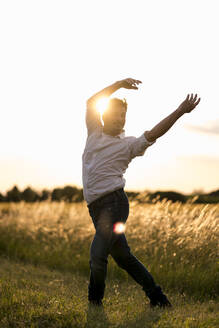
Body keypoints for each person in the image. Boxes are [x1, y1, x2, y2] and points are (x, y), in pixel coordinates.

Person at [82, 78, 200, 308]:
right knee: (124, 258)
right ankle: (158, 298)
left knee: (98, 254)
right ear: (104, 115)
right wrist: (118, 84)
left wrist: (179, 112)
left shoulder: (129, 145)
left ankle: (94, 303)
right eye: (115, 114)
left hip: (114, 205)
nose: (119, 118)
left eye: (123, 116)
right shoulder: (94, 134)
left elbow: (155, 132)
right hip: (95, 208)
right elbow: (91, 101)